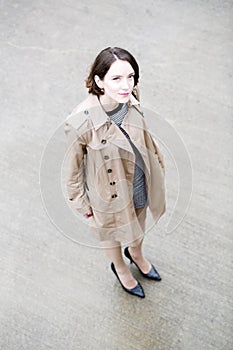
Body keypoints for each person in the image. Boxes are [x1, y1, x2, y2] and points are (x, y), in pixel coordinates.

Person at [65, 47, 165, 298]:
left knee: (139, 223)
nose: (126, 85)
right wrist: (82, 204)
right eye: (116, 79)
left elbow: (144, 135)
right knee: (111, 233)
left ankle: (136, 253)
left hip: (139, 177)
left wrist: (158, 164)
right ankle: (120, 267)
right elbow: (72, 171)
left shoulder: (131, 97)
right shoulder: (80, 121)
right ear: (99, 81)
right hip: (108, 191)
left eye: (130, 76)